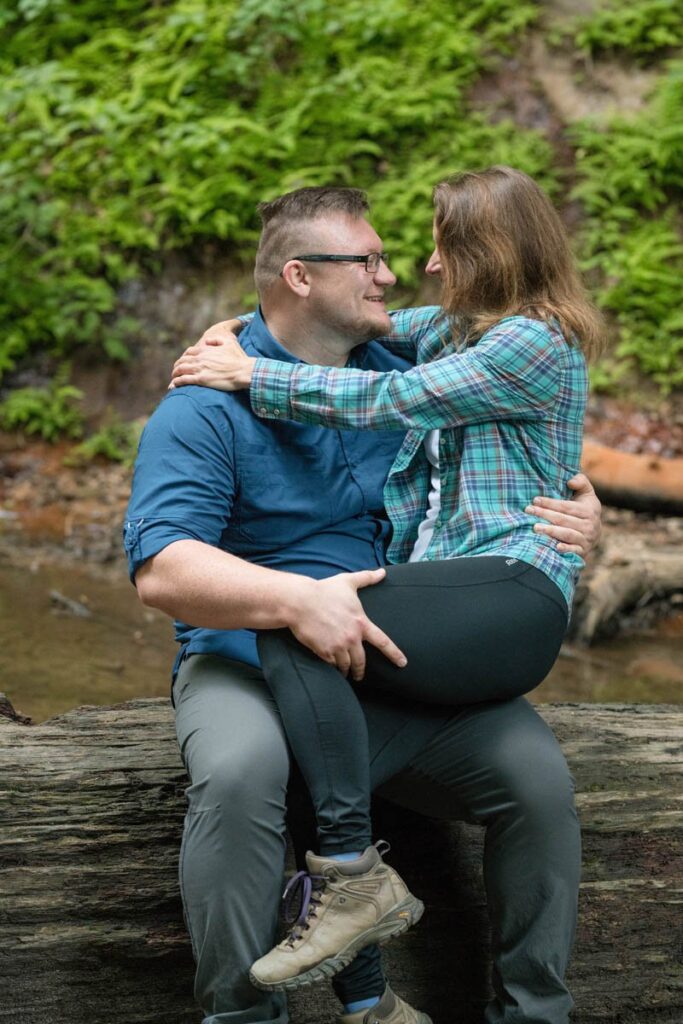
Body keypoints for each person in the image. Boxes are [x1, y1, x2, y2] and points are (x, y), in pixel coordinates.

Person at [126, 184, 602, 1024]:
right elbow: (162, 569)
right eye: (370, 261)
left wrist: (576, 503)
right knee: (242, 774)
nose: (394, 276)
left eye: (397, 255)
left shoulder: (404, 369)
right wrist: (293, 599)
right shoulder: (204, 402)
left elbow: (495, 412)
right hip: (247, 651)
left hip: (388, 644)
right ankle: (247, 1014)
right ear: (302, 276)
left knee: (533, 780)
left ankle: (530, 1010)